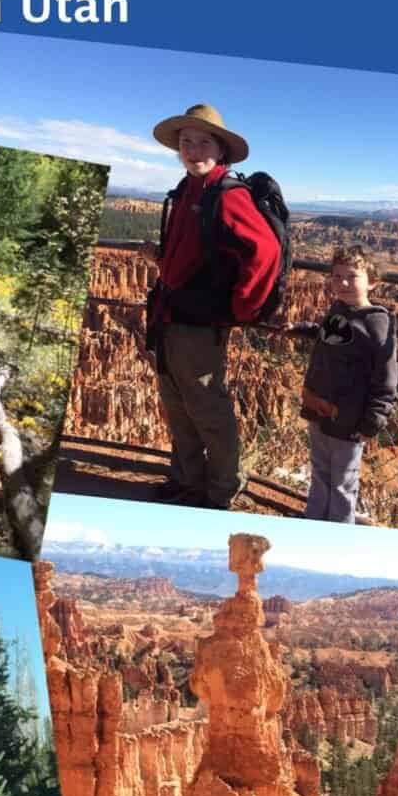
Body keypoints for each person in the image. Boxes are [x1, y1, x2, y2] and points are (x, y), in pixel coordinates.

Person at [140, 104, 280, 509]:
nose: (194, 149)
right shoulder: (188, 190)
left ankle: (221, 491)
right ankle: (188, 480)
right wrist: (160, 258)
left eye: (204, 142)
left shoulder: (228, 195)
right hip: (170, 317)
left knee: (208, 411)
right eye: (186, 143)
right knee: (178, 406)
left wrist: (237, 310)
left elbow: (265, 253)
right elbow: (193, 256)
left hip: (199, 326)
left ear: (221, 151)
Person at [286, 244, 398, 524]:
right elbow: (332, 335)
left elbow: (386, 378)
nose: (343, 283)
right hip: (318, 407)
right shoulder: (339, 308)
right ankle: (313, 520)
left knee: (343, 483)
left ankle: (337, 529)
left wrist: (372, 422)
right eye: (337, 276)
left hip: (349, 420)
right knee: (320, 471)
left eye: (352, 276)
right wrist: (304, 329)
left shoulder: (377, 323)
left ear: (373, 282)